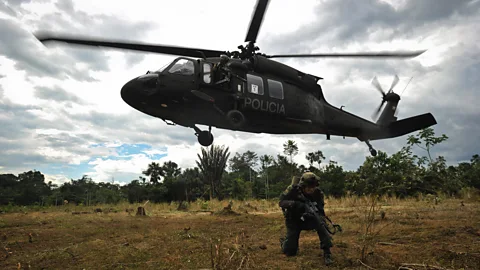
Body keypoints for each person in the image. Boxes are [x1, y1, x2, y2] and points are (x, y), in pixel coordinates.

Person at [279, 172, 333, 266]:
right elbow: (281, 202)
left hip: (309, 219)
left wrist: (317, 216)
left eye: (313, 187)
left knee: (321, 224)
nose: (311, 190)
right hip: (294, 220)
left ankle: (327, 252)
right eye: (308, 188)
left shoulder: (318, 193)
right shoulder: (292, 189)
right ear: (303, 186)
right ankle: (285, 242)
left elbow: (321, 210)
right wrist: (296, 205)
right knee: (289, 252)